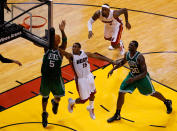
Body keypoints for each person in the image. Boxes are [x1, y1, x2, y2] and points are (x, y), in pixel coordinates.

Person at [107, 40, 172, 123]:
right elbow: (122, 62)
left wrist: (133, 79)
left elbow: (144, 73)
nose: (129, 46)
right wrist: (113, 69)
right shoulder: (126, 54)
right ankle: (117, 114)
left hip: (142, 78)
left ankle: (167, 102)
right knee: (121, 92)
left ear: (135, 48)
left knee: (152, 93)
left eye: (131, 45)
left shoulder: (140, 57)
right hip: (132, 75)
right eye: (129, 45)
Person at [59, 42, 114, 120]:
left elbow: (97, 57)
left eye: (75, 47)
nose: (73, 48)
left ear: (79, 48)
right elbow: (63, 52)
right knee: (83, 100)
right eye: (73, 47)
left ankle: (91, 108)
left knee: (92, 94)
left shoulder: (85, 54)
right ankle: (72, 102)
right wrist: (53, 45)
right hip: (80, 79)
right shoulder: (71, 56)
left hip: (89, 76)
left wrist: (110, 60)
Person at [39, 20, 67, 128]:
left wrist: (62, 30)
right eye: (53, 38)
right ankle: (44, 113)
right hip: (46, 78)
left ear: (58, 41)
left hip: (56, 78)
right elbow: (38, 41)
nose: (55, 40)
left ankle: (55, 102)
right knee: (44, 97)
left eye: (56, 39)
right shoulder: (46, 48)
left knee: (58, 97)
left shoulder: (61, 51)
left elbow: (65, 41)